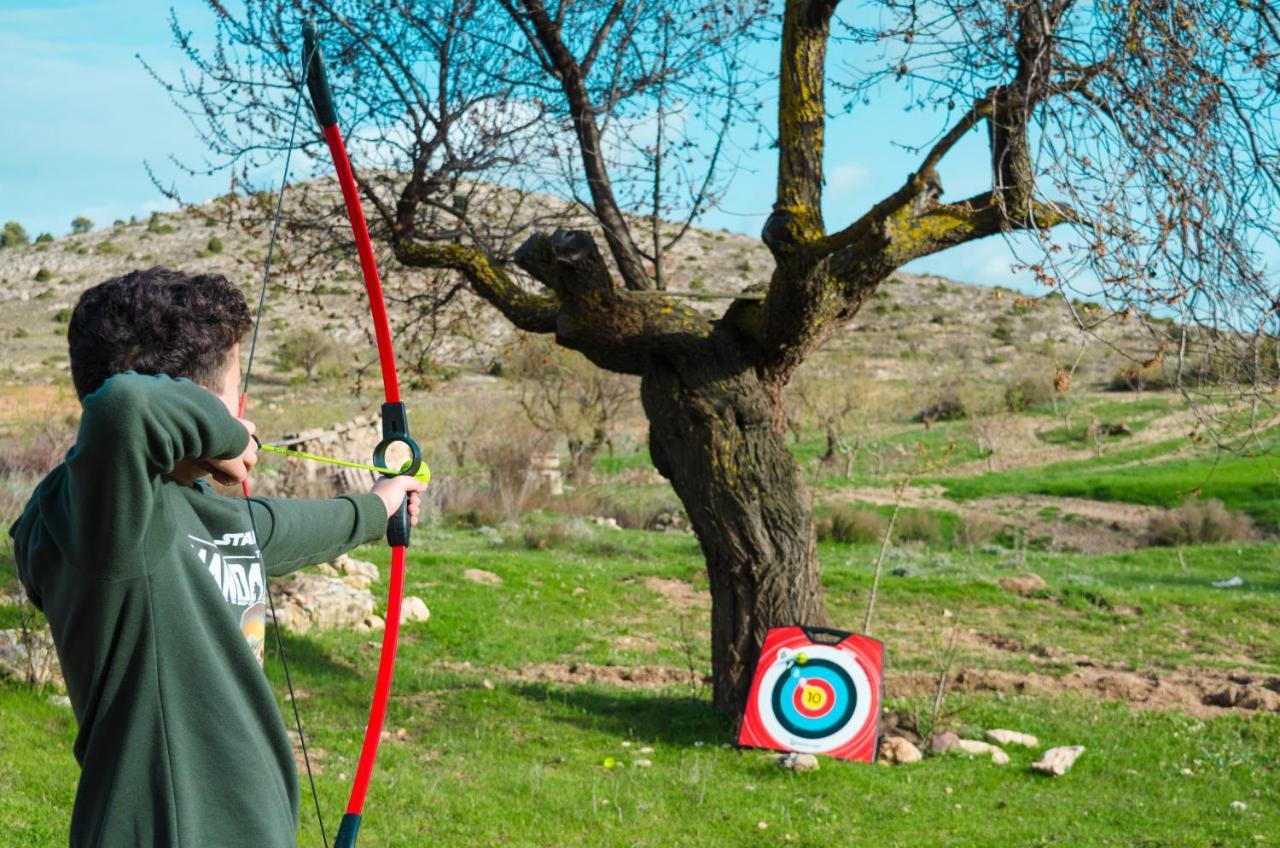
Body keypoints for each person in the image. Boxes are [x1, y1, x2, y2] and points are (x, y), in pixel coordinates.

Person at [8, 266, 426, 847]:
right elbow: (124, 406)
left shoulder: (201, 510)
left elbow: (279, 528)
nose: (245, 404)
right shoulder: (103, 523)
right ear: (196, 407)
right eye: (235, 388)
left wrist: (378, 506)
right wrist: (227, 436)